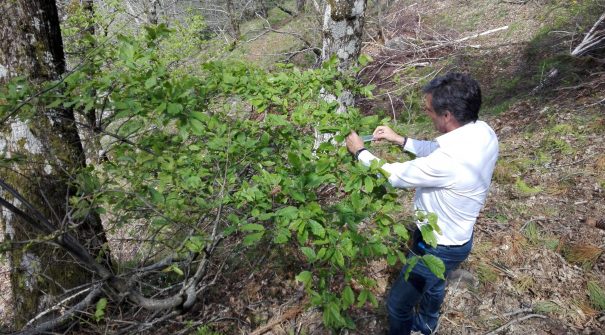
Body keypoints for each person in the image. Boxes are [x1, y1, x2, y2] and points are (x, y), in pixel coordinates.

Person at [345, 72, 499, 335]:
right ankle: (427, 323)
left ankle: (416, 327)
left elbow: (394, 176)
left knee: (397, 306)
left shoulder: (450, 161)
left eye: (429, 110)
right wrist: (400, 140)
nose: (427, 114)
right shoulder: (482, 132)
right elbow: (438, 151)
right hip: (456, 236)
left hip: (437, 245)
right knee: (436, 280)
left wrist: (360, 151)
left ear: (447, 115)